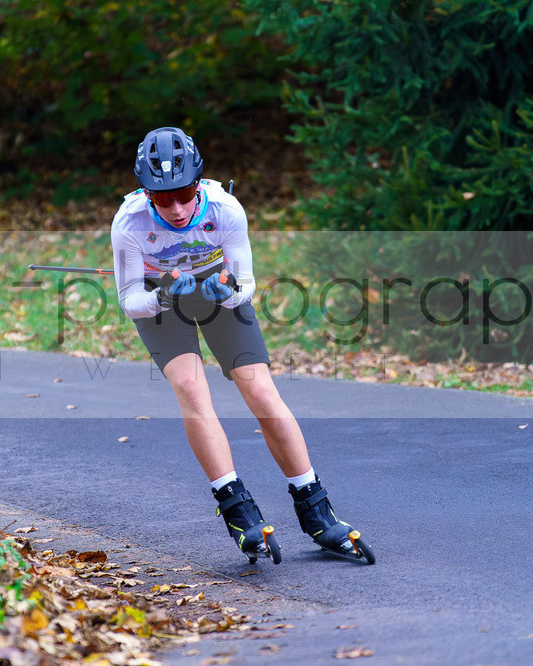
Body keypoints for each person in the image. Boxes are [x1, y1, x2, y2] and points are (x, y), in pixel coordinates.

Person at [110, 126, 370, 563]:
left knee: (261, 390)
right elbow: (129, 300)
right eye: (161, 198)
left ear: (199, 183)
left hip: (217, 291)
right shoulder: (129, 224)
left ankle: (316, 508)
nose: (175, 207)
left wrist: (227, 292)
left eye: (184, 192)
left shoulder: (226, 209)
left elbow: (245, 284)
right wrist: (162, 294)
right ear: (144, 192)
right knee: (192, 389)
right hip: (161, 300)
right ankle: (236, 508)